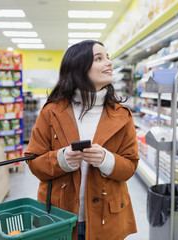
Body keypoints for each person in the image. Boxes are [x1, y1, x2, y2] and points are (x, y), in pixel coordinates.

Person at [24, 40, 139, 240]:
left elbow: (130, 165)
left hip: (106, 217)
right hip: (61, 215)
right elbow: (34, 161)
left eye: (108, 57)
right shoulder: (51, 112)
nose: (109, 63)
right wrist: (62, 160)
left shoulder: (122, 115)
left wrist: (106, 159)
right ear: (79, 67)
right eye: (99, 58)